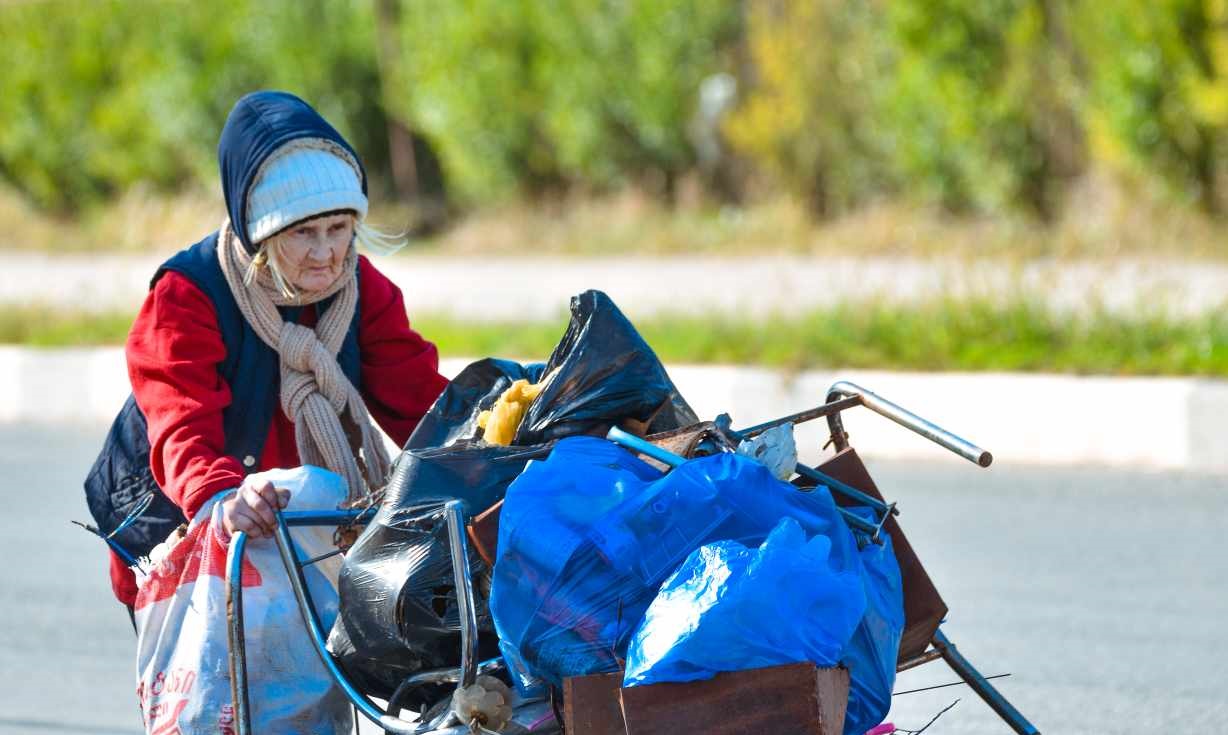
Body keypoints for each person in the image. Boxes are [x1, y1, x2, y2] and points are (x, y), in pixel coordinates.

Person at [98, 90, 450, 609]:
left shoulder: (360, 287)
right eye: (304, 232)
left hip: (295, 526)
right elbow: (180, 426)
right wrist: (220, 498)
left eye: (339, 228)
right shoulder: (189, 295)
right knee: (217, 683)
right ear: (261, 235)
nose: (327, 253)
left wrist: (501, 441)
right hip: (185, 518)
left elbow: (420, 400)